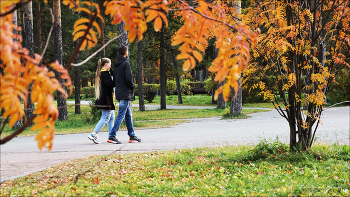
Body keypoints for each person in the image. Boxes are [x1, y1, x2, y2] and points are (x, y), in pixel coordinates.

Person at [108, 46, 141, 144]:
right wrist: (132, 86)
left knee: (128, 115)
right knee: (121, 114)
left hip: (119, 91)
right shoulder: (126, 63)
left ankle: (132, 135)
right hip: (125, 92)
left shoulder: (116, 65)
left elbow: (114, 80)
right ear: (126, 53)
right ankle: (112, 135)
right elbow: (129, 78)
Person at [88, 58, 115, 144]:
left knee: (111, 117)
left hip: (104, 99)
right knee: (105, 117)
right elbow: (109, 84)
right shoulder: (105, 73)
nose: (110, 66)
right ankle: (94, 134)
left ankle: (111, 136)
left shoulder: (101, 73)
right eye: (110, 64)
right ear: (106, 64)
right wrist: (116, 80)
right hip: (107, 100)